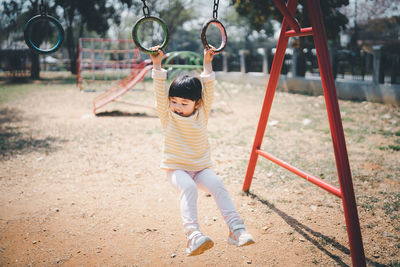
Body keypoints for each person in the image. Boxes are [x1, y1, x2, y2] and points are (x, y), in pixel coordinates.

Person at [150, 46, 255, 256]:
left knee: (217, 184)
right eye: (174, 102)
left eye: (184, 103)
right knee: (188, 188)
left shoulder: (202, 114)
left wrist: (207, 62)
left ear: (197, 104)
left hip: (200, 168)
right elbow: (159, 90)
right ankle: (192, 236)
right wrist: (157, 65)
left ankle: (236, 229)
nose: (177, 106)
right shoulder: (167, 116)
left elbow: (209, 87)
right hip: (177, 169)